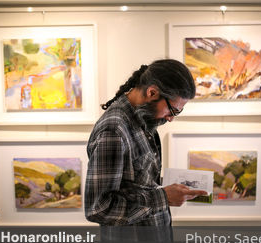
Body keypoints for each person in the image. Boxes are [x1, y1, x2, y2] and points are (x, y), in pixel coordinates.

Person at [85, 59, 207, 227]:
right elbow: (99, 209)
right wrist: (163, 197)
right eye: (173, 110)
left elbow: (136, 183)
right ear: (152, 93)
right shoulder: (114, 131)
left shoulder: (143, 119)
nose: (171, 118)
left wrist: (173, 188)